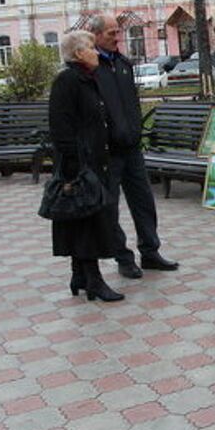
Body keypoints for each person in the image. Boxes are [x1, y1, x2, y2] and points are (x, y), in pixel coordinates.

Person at [87, 15, 178, 279]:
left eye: (118, 32)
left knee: (144, 202)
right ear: (94, 35)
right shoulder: (91, 67)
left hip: (132, 148)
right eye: (110, 34)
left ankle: (150, 252)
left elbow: (132, 104)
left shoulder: (123, 64)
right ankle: (123, 258)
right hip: (108, 152)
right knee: (110, 208)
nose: (117, 38)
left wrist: (136, 131)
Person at [48, 30, 124, 302]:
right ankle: (94, 281)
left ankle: (79, 275)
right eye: (91, 47)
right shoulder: (67, 81)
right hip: (80, 166)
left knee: (85, 220)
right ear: (79, 53)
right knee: (88, 222)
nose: (96, 51)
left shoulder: (86, 79)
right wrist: (72, 170)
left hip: (93, 162)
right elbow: (61, 129)